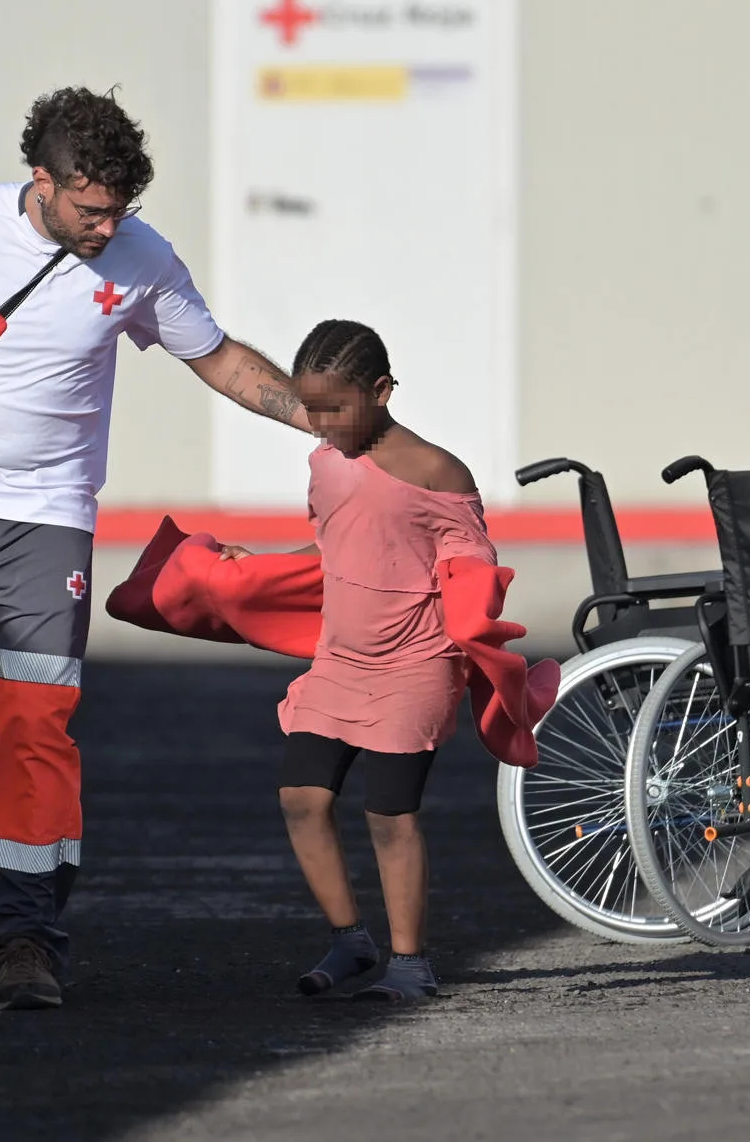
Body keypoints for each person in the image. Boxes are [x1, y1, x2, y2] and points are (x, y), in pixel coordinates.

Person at [0, 87, 312, 1011]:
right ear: (43, 180)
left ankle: (29, 934)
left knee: (32, 728)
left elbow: (221, 357)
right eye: (91, 209)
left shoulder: (142, 259)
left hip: (50, 520)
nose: (108, 227)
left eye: (121, 209)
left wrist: (320, 418)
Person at [218, 321, 501, 1002]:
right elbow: (334, 551)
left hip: (415, 664)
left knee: (388, 815)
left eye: (334, 408)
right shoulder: (325, 462)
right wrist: (260, 574)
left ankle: (411, 963)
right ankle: (350, 939)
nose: (319, 423)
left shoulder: (439, 471)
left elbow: (475, 568)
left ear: (381, 391)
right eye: (310, 409)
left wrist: (484, 650)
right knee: (301, 799)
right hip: (340, 662)